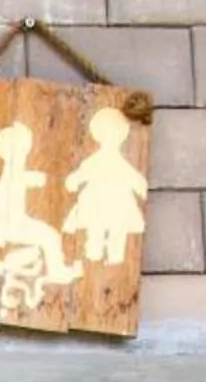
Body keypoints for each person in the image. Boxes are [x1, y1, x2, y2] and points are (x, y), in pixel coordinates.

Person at [62, 107, 150, 268]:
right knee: (98, 230)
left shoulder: (114, 163)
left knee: (115, 231)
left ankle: (110, 259)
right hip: (100, 203)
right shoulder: (96, 161)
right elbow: (82, 174)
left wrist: (141, 186)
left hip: (115, 203)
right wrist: (73, 181)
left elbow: (133, 177)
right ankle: (96, 257)